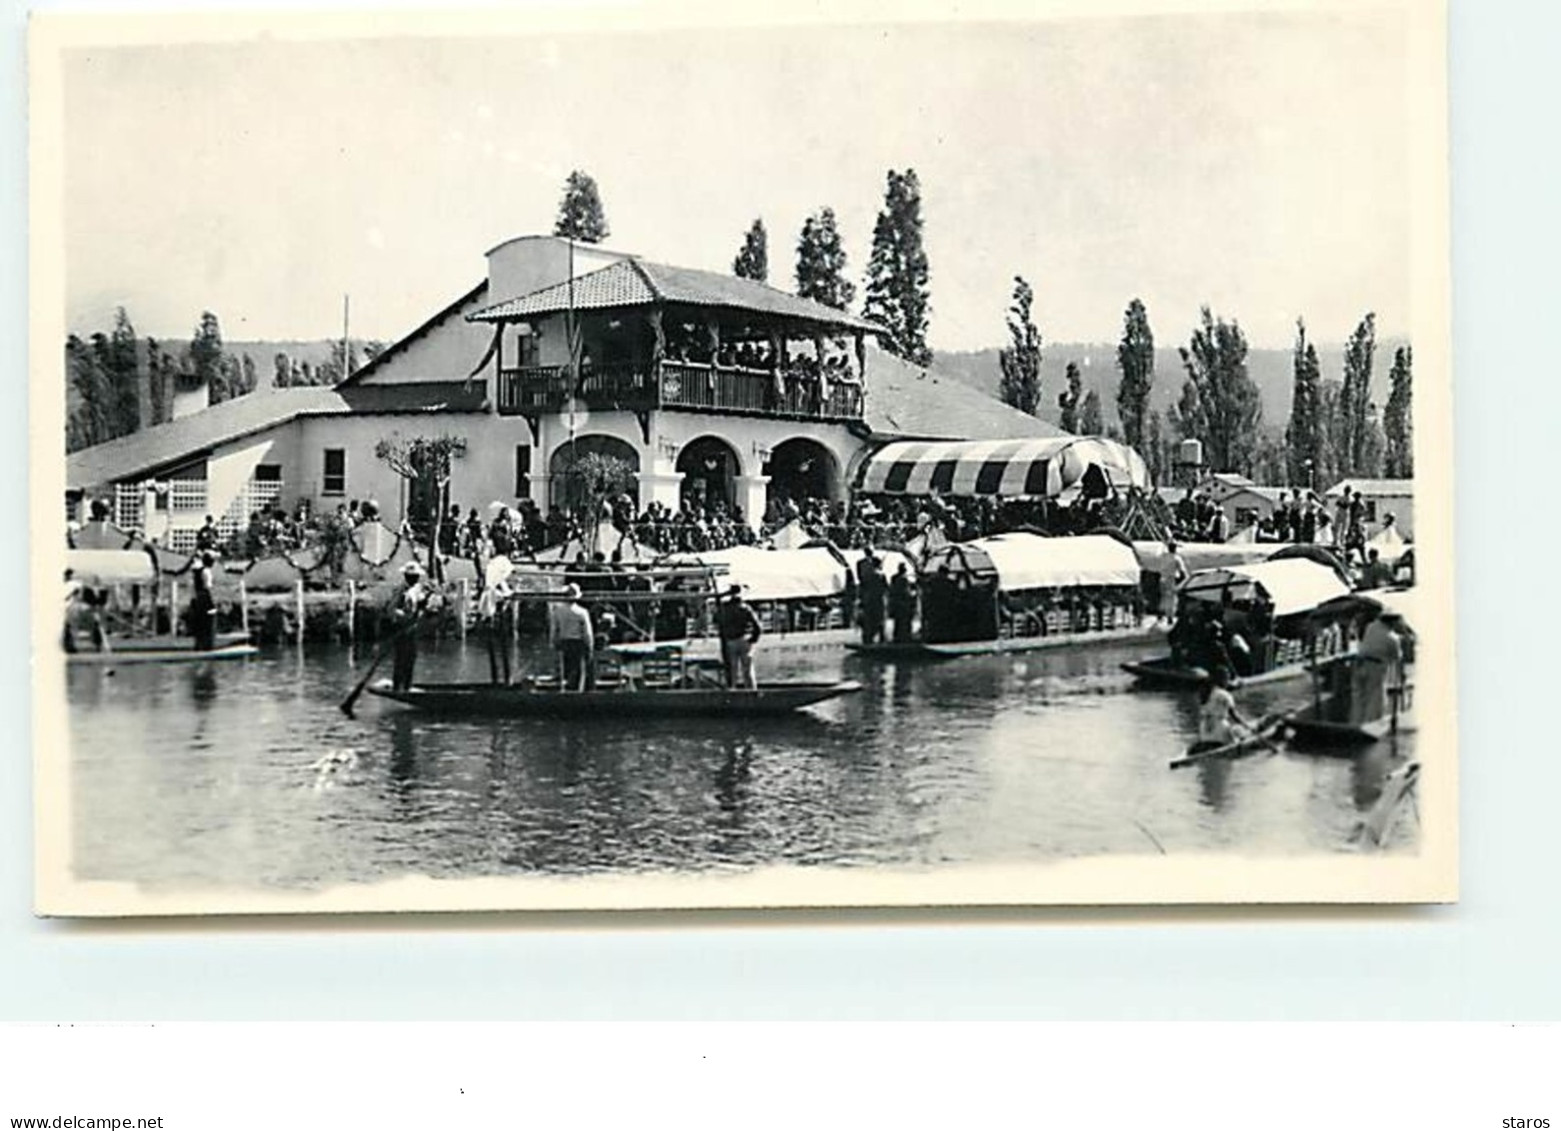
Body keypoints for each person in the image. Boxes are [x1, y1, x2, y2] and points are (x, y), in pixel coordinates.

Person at [387, 560, 436, 693]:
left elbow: (418, 605)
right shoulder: (400, 590)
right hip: (402, 629)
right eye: (414, 576)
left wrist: (425, 601)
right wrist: (405, 617)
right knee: (401, 659)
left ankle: (407, 686)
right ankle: (398, 686)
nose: (416, 579)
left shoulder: (416, 589)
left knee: (411, 658)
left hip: (412, 629)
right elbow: (391, 609)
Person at [1192, 667, 1253, 753]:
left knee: (1234, 730)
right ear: (1222, 680)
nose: (1228, 682)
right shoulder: (1225, 695)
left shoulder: (1204, 692)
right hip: (1220, 730)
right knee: (1240, 734)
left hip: (1204, 729)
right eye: (1227, 679)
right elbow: (1235, 716)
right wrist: (1247, 726)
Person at [716, 583, 762, 691]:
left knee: (732, 670)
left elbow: (717, 620)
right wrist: (753, 639)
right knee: (748, 669)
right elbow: (758, 626)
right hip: (744, 638)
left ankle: (732, 690)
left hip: (731, 641)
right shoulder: (745, 608)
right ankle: (751, 691)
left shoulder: (725, 609)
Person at [549, 583, 595, 692]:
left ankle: (565, 688)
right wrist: (590, 645)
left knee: (565, 667)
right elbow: (587, 632)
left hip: (564, 641)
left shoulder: (557, 611)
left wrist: (553, 642)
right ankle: (577, 690)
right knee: (578, 669)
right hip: (577, 642)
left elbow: (554, 629)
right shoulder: (582, 612)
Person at [478, 571, 514, 685]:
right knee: (502, 654)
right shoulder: (495, 592)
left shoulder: (488, 592)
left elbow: (482, 609)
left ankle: (498, 680)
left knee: (496, 655)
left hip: (492, 624)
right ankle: (505, 680)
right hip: (497, 624)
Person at [857, 552, 888, 644]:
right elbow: (885, 587)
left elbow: (862, 586)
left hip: (869, 599)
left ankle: (868, 637)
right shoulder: (881, 575)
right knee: (880, 618)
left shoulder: (867, 575)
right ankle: (882, 637)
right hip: (879, 599)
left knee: (870, 619)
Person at [190, 550, 218, 651]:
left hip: (197, 598)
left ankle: (198, 646)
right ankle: (208, 647)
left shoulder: (196, 571)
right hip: (205, 598)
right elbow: (208, 587)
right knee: (209, 623)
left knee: (199, 624)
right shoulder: (206, 571)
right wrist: (213, 603)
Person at [1156, 541, 1187, 625]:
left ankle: (1161, 613)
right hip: (1171, 578)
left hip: (1162, 578)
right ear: (1175, 548)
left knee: (1163, 597)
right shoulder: (1176, 558)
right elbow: (1182, 571)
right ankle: (1170, 617)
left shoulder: (1163, 556)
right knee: (1171, 598)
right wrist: (1186, 579)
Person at [888, 563, 917, 643]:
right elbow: (907, 592)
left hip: (896, 602)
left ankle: (897, 637)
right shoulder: (905, 579)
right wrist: (913, 594)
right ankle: (905, 637)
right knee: (905, 621)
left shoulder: (894, 578)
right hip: (904, 602)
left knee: (898, 621)